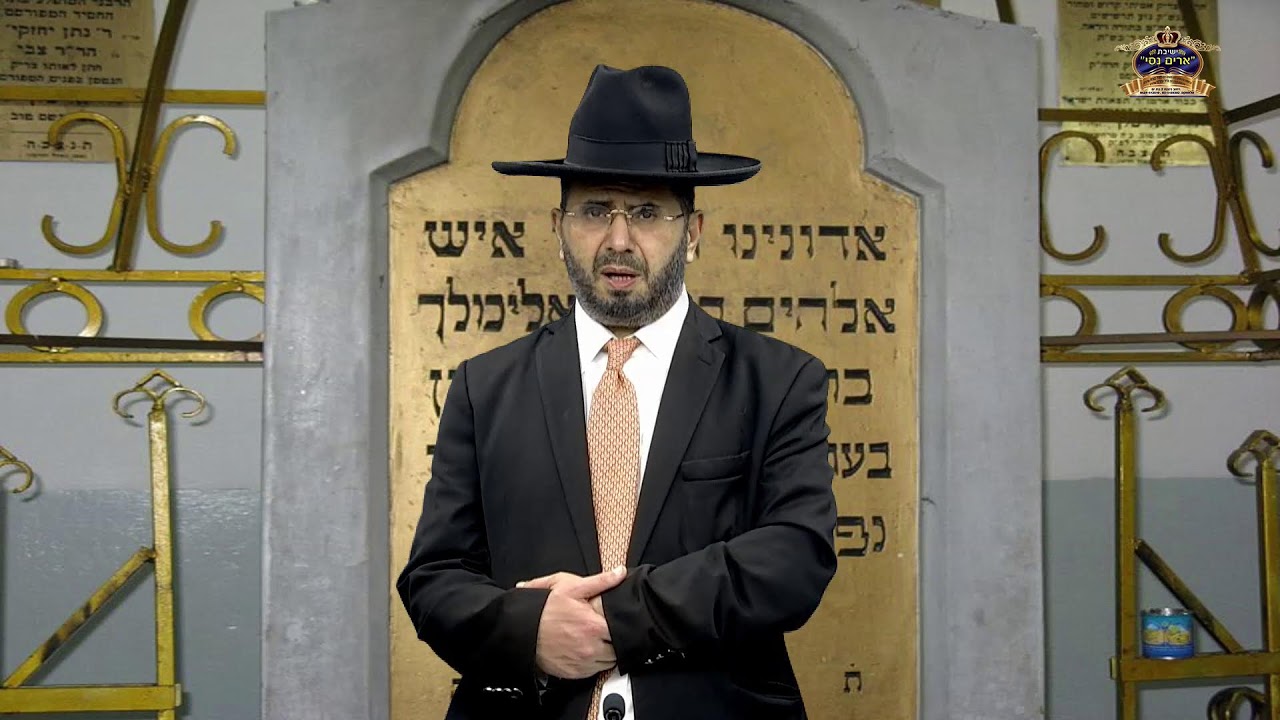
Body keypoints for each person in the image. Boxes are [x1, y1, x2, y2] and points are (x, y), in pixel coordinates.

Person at [397, 64, 837, 720]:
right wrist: (531, 631)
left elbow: (795, 558)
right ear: (559, 226)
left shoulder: (777, 380)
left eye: (648, 212)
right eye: (595, 210)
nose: (620, 239)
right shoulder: (484, 388)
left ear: (693, 230)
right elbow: (433, 581)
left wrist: (618, 618)